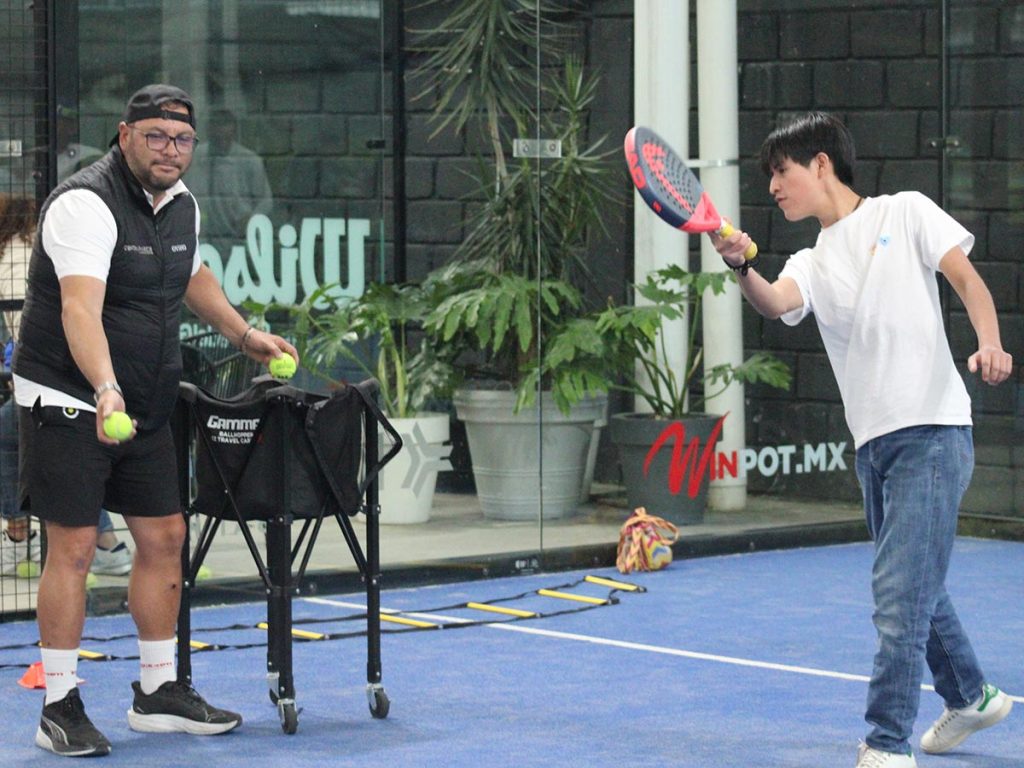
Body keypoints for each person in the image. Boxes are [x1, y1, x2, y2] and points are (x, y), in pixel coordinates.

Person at [711, 112, 1013, 767]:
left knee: (898, 596)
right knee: (916, 586)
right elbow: (775, 299)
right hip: (872, 448)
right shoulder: (812, 260)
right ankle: (972, 697)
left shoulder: (905, 212)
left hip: (932, 432)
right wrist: (740, 265)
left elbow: (968, 280)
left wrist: (990, 342)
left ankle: (885, 745)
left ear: (821, 163)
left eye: (780, 172)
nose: (774, 188)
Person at [12, 84, 298, 757]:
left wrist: (243, 334)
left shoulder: (181, 204)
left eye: (181, 140)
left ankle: (158, 691)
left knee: (166, 537)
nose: (170, 151)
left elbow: (190, 272)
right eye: (156, 137)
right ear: (125, 135)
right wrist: (104, 387)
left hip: (143, 399)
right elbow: (81, 309)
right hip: (68, 396)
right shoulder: (85, 204)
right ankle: (58, 704)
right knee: (75, 547)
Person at [1, 194, 131, 580]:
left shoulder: (18, 253)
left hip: (66, 380)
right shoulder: (54, 248)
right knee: (66, 453)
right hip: (74, 378)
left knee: (18, 437)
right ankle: (35, 536)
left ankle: (25, 536)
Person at [187, 109, 272, 245]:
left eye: (226, 138)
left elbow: (266, 201)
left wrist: (251, 219)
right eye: (217, 138)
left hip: (240, 238)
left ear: (234, 133)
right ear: (209, 132)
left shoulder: (249, 160)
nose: (222, 142)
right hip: (205, 238)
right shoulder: (195, 158)